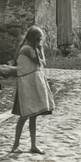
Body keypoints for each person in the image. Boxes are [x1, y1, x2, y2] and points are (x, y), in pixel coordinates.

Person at [11, 26, 55, 154]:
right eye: (38, 40)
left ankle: (33, 145)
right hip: (26, 86)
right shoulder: (26, 50)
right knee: (24, 116)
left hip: (33, 85)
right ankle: (15, 145)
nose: (40, 42)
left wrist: (40, 49)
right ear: (33, 39)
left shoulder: (34, 49)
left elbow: (43, 62)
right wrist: (39, 49)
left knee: (33, 116)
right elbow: (38, 61)